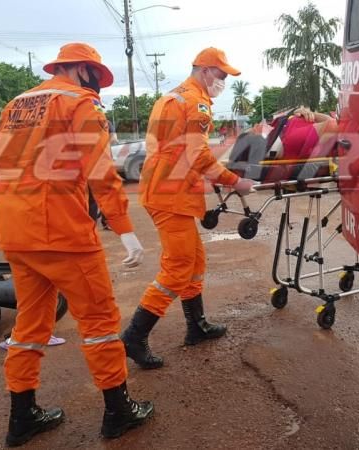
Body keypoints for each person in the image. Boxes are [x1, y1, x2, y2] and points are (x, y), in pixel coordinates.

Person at [0, 43, 153, 447]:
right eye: (96, 76)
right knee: (98, 322)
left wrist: (17, 204)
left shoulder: (17, 104)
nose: (98, 87)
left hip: (16, 233)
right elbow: (99, 169)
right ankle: (118, 411)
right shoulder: (81, 103)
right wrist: (124, 228)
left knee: (29, 325)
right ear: (80, 69)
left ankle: (22, 417)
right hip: (62, 234)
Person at [122, 47, 256, 369]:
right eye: (221, 74)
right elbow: (197, 156)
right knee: (179, 266)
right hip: (171, 195)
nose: (223, 81)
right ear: (205, 70)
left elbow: (175, 152)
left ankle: (196, 325)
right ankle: (134, 336)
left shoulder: (171, 97)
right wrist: (233, 180)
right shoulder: (194, 102)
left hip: (168, 189)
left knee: (194, 261)